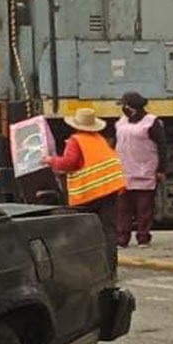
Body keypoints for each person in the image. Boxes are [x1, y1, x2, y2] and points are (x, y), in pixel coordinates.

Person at [49, 107, 127, 274]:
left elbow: (69, 163)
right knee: (108, 230)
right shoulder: (99, 139)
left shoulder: (75, 140)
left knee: (83, 231)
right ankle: (110, 268)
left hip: (90, 193)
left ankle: (89, 269)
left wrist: (50, 160)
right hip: (110, 189)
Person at [113, 91, 167, 248]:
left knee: (144, 208)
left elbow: (162, 147)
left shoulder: (152, 122)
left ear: (131, 107)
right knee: (123, 209)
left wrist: (161, 169)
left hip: (145, 170)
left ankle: (143, 237)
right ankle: (122, 238)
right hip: (124, 171)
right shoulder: (121, 122)